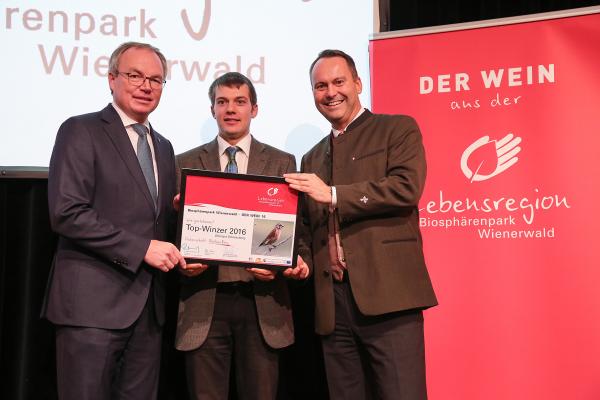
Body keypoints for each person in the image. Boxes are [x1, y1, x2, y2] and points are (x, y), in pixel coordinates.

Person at [284, 49, 438, 400]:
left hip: (389, 295)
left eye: (339, 82)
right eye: (320, 85)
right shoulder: (312, 155)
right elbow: (307, 227)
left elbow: (406, 188)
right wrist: (301, 259)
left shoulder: (396, 128)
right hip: (332, 304)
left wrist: (335, 194)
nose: (330, 92)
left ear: (358, 84)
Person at [42, 41, 186, 400]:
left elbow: (157, 222)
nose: (146, 86)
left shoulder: (164, 146)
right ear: (111, 79)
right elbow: (67, 212)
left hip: (149, 312)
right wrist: (142, 249)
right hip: (91, 308)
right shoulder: (81, 130)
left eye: (155, 79)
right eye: (135, 75)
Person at [174, 72, 309, 400]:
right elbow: (170, 236)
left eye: (239, 102)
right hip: (204, 301)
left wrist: (284, 264)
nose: (230, 109)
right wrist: (180, 261)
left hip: (261, 303)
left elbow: (294, 233)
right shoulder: (184, 163)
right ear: (212, 110)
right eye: (222, 102)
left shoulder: (282, 161)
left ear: (255, 109)